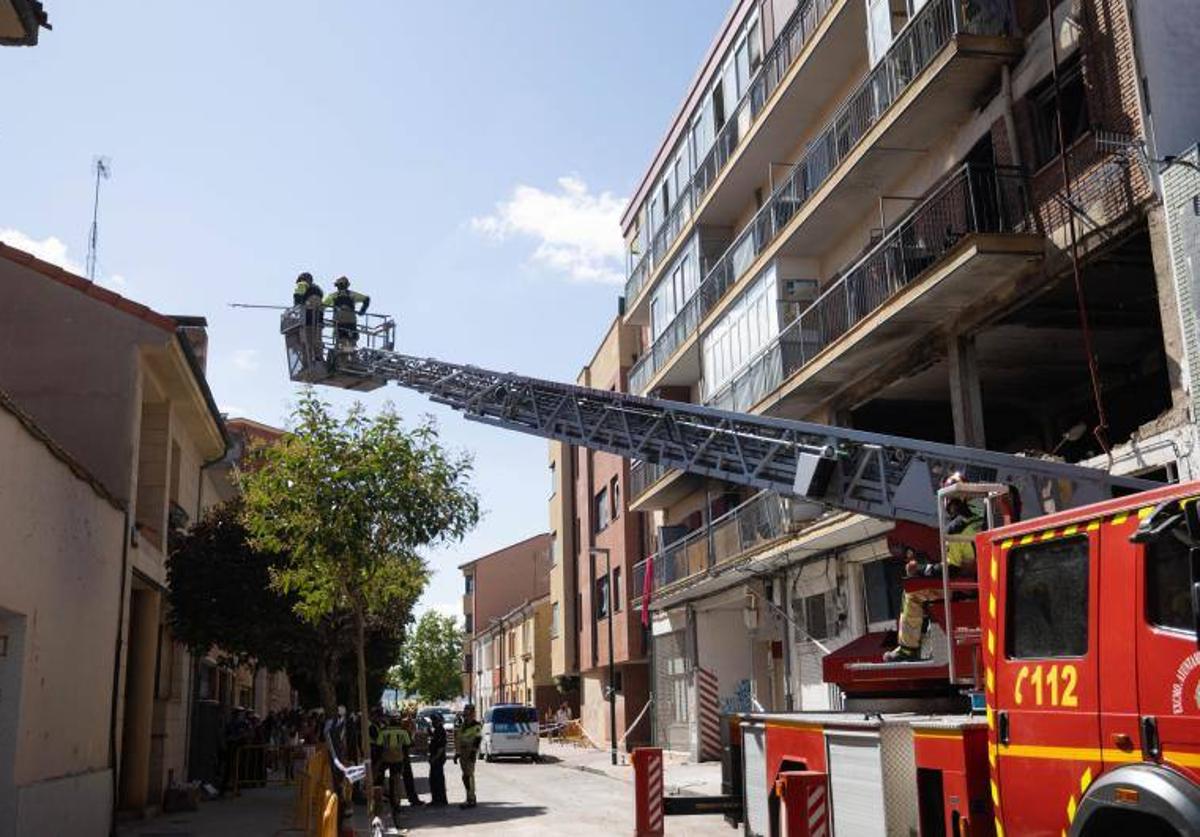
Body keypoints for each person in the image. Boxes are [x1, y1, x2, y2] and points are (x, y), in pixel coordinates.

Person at [883, 489, 984, 662]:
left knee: (913, 594)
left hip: (965, 587)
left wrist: (921, 570)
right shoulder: (984, 521)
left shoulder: (956, 528)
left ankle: (908, 649)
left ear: (950, 503)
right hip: (984, 582)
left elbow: (952, 569)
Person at [323, 276, 370, 350]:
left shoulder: (333, 296)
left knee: (341, 342)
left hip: (339, 323)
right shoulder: (352, 294)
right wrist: (362, 311)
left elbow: (322, 306)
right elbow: (366, 299)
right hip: (351, 323)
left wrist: (318, 316)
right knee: (351, 342)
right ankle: (349, 355)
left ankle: (343, 355)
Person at [453, 704, 482, 809]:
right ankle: (468, 797)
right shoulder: (463, 725)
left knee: (469, 775)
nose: (466, 716)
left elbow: (478, 739)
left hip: (470, 752)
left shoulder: (476, 725)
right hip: (463, 753)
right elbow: (458, 738)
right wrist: (457, 753)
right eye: (465, 714)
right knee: (465, 776)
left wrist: (474, 753)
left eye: (468, 713)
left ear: (473, 714)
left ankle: (471, 798)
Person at [427, 712, 449, 807]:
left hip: (438, 758)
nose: (432, 722)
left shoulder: (440, 731)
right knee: (433, 780)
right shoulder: (436, 731)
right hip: (434, 758)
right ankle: (436, 799)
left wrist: (434, 758)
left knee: (438, 780)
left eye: (434, 721)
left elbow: (441, 747)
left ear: (438, 721)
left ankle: (440, 800)